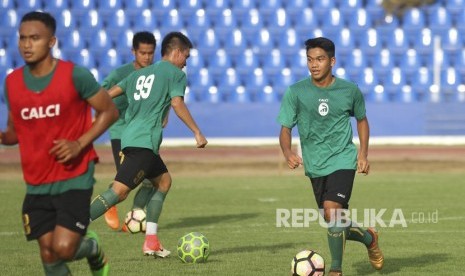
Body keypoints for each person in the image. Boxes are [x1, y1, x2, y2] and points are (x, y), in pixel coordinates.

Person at [0, 11, 118, 276]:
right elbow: (14, 133)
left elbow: (109, 111)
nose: (26, 45)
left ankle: (93, 249)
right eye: (22, 38)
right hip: (36, 181)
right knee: (48, 255)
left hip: (74, 176)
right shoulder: (12, 83)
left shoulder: (75, 75)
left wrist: (79, 143)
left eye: (35, 38)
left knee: (63, 248)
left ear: (51, 41)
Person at [89, 31, 208, 258]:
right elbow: (177, 103)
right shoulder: (175, 73)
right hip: (144, 142)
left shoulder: (139, 74)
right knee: (120, 192)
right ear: (176, 52)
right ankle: (75, 226)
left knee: (163, 182)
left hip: (132, 138)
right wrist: (197, 132)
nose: (186, 62)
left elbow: (109, 93)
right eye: (186, 56)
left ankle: (151, 241)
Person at [277, 37, 384, 276]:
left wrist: (363, 154)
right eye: (310, 60)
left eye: (320, 59)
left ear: (332, 61)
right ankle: (369, 238)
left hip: (343, 159)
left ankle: (336, 269)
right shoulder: (296, 92)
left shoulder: (349, 90)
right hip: (315, 165)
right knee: (333, 219)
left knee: (333, 211)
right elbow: (285, 128)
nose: (314, 65)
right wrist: (287, 152)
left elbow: (362, 120)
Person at [101, 31, 159, 231]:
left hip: (145, 135)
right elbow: (101, 95)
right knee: (128, 181)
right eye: (142, 52)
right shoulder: (120, 74)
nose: (147, 57)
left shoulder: (157, 73)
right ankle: (110, 204)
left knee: (152, 181)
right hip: (122, 133)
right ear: (134, 52)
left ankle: (135, 214)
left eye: (150, 53)